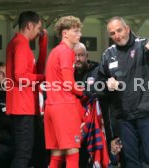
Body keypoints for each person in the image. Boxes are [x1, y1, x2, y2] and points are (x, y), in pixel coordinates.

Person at [97, 16, 149, 168]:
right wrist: (106, 83)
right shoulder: (108, 54)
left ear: (127, 28)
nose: (117, 35)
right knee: (130, 161)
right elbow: (98, 82)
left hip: (148, 112)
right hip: (124, 116)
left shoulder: (143, 45)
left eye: (119, 30)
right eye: (112, 33)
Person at [5, 10, 48, 168]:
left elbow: (37, 71)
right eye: (38, 28)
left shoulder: (21, 44)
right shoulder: (20, 45)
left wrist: (43, 43)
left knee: (31, 153)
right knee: (23, 154)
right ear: (30, 25)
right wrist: (46, 79)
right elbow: (21, 76)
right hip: (23, 108)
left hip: (25, 107)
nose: (39, 32)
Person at [44, 15, 87, 168]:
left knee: (56, 155)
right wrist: (82, 91)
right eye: (76, 31)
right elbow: (69, 83)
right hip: (64, 107)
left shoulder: (54, 52)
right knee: (72, 152)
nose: (79, 34)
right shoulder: (66, 52)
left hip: (50, 107)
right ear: (65, 33)